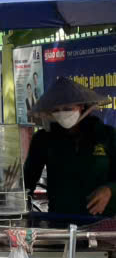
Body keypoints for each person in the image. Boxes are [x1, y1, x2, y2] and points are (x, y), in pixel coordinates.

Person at [24, 77, 116, 218]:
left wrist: (110, 190)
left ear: (81, 106)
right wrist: (14, 202)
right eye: (57, 110)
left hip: (102, 221)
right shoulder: (43, 139)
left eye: (67, 109)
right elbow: (27, 181)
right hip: (60, 221)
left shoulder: (106, 135)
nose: (62, 113)